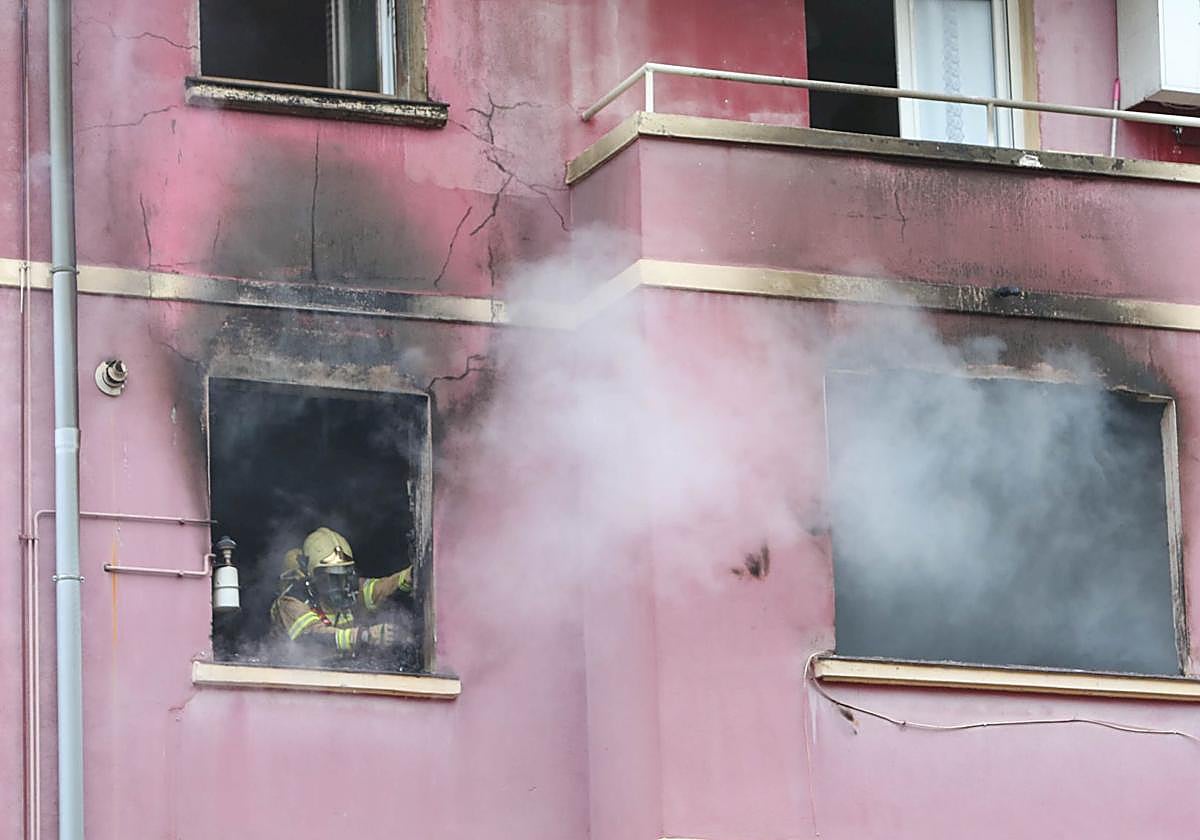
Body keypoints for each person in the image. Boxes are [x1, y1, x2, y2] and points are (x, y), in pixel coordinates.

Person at [270, 526, 412, 659]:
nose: (340, 585)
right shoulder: (292, 601)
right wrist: (364, 636)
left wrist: (409, 576)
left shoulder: (350, 589)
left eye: (344, 575)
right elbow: (313, 637)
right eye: (330, 577)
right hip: (296, 671)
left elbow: (379, 589)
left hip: (340, 668)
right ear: (312, 576)